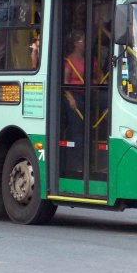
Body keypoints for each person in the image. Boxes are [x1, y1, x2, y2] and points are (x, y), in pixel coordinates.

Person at [62, 30, 86, 174]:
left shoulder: (90, 60)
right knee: (78, 131)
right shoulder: (69, 61)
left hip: (89, 94)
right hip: (74, 96)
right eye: (83, 41)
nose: (86, 44)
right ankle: (78, 165)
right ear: (77, 44)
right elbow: (65, 83)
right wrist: (70, 98)